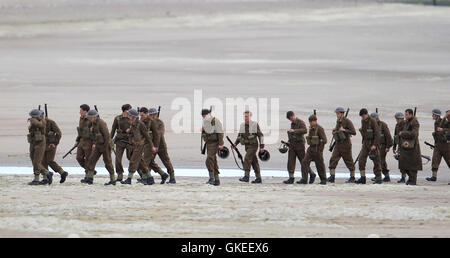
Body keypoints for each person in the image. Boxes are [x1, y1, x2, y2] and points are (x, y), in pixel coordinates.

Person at [121, 109, 155, 185]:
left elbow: (147, 136)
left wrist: (152, 146)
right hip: (134, 145)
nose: (128, 116)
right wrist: (129, 131)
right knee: (141, 163)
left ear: (133, 117)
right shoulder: (132, 123)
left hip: (139, 146)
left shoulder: (140, 124)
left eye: (129, 115)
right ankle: (150, 179)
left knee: (133, 161)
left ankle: (129, 179)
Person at [83, 110, 116, 185]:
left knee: (108, 162)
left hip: (105, 145)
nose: (89, 119)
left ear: (94, 117)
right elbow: (95, 136)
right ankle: (89, 178)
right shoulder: (93, 123)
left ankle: (113, 179)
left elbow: (107, 136)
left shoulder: (101, 123)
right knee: (91, 160)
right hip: (98, 144)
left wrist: (105, 147)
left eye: (90, 117)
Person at [137, 107, 168, 184]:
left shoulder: (152, 122)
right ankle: (163, 174)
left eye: (142, 115)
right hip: (145, 144)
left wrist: (156, 146)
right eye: (140, 115)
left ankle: (145, 178)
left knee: (145, 161)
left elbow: (157, 134)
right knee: (150, 162)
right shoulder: (142, 121)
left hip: (151, 144)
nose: (141, 117)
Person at [284, 111, 316, 184]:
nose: (290, 120)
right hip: (292, 145)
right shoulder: (292, 124)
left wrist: (294, 130)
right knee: (290, 161)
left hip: (300, 145)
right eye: (289, 120)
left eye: (290, 119)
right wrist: (288, 142)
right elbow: (292, 134)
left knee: (303, 161)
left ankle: (311, 174)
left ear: (292, 116)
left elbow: (305, 130)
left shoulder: (300, 122)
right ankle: (291, 178)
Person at [233, 111, 265, 184]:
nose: (245, 118)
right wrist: (235, 144)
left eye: (247, 116)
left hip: (253, 145)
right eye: (244, 116)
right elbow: (239, 136)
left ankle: (246, 177)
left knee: (247, 158)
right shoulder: (242, 125)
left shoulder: (254, 124)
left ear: (250, 117)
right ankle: (258, 178)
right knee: (254, 161)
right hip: (247, 146)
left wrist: (262, 146)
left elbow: (260, 135)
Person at [328, 107, 356, 183]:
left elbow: (354, 132)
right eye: (337, 113)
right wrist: (335, 129)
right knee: (333, 159)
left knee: (349, 161)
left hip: (346, 145)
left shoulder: (347, 121)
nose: (337, 115)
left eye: (338, 113)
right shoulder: (338, 121)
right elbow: (338, 130)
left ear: (342, 113)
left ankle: (352, 177)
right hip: (338, 144)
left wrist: (344, 130)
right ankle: (332, 176)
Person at [149, 108, 176, 184]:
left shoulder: (160, 123)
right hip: (151, 145)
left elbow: (160, 134)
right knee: (149, 161)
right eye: (151, 115)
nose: (153, 116)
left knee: (166, 161)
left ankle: (172, 177)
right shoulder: (148, 122)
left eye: (154, 114)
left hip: (161, 146)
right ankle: (149, 177)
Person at [356, 109, 382, 184]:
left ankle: (379, 178)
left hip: (373, 143)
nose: (362, 118)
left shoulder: (373, 121)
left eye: (363, 116)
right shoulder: (363, 121)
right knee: (361, 159)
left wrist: (374, 145)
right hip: (365, 143)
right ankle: (362, 177)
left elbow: (377, 134)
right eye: (361, 116)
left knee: (376, 161)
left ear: (366, 114)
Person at [27, 109, 53, 185]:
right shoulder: (37, 121)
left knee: (36, 161)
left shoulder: (41, 121)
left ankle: (43, 175)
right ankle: (41, 176)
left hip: (40, 143)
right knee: (33, 160)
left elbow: (39, 125)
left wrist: (32, 120)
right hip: (33, 142)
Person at [41, 111, 68, 183]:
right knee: (43, 161)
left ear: (43, 115)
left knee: (50, 161)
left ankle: (62, 173)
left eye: (40, 115)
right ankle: (46, 178)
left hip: (51, 145)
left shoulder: (50, 122)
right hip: (42, 145)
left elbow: (59, 133)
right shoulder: (38, 122)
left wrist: (55, 143)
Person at [300, 115, 327, 185]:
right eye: (310, 122)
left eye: (311, 122)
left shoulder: (320, 129)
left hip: (317, 150)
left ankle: (323, 180)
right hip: (311, 149)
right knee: (304, 162)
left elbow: (325, 140)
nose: (310, 123)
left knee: (320, 165)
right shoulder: (311, 128)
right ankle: (304, 179)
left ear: (315, 121)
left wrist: (320, 149)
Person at [398, 109, 422, 185]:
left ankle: (413, 180)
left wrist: (403, 133)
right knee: (405, 163)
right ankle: (410, 179)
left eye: (407, 114)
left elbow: (414, 134)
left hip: (412, 146)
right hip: (406, 146)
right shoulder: (407, 122)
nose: (406, 116)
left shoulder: (414, 122)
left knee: (413, 164)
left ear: (411, 114)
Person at [201, 108, 224, 186]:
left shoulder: (215, 121)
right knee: (213, 161)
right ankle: (217, 180)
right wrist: (203, 130)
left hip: (215, 143)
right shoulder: (205, 122)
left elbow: (220, 132)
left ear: (208, 114)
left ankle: (211, 178)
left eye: (204, 115)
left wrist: (221, 144)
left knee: (209, 160)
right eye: (202, 116)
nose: (203, 117)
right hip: (208, 143)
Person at [110, 104, 132, 182]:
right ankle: (120, 174)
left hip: (130, 141)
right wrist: (110, 139)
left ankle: (140, 173)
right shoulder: (118, 118)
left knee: (131, 158)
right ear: (126, 110)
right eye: (130, 109)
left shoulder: (132, 118)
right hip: (119, 141)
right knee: (118, 159)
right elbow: (113, 129)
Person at [426, 109, 450, 182]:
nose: (432, 116)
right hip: (438, 145)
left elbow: (446, 128)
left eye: (433, 114)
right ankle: (434, 176)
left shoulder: (444, 121)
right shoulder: (436, 122)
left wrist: (442, 128)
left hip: (446, 145)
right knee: (435, 161)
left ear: (436, 115)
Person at [370, 112, 393, 182]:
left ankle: (386, 176)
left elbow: (388, 136)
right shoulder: (372, 125)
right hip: (375, 146)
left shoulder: (383, 125)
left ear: (376, 118)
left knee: (381, 161)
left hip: (382, 146)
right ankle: (377, 175)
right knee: (376, 161)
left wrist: (388, 146)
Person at [75, 104, 93, 182]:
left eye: (81, 110)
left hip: (89, 141)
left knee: (89, 159)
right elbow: (80, 131)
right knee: (79, 158)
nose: (80, 112)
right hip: (82, 141)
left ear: (85, 111)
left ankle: (88, 176)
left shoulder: (91, 118)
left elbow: (96, 130)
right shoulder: (81, 119)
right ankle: (90, 171)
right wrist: (77, 140)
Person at [393, 112, 407, 183]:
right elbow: (395, 136)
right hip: (400, 146)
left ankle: (410, 177)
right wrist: (394, 147)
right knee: (401, 162)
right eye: (397, 119)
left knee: (406, 162)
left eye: (398, 119)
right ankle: (403, 177)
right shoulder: (397, 126)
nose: (397, 120)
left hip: (406, 145)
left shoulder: (406, 125)